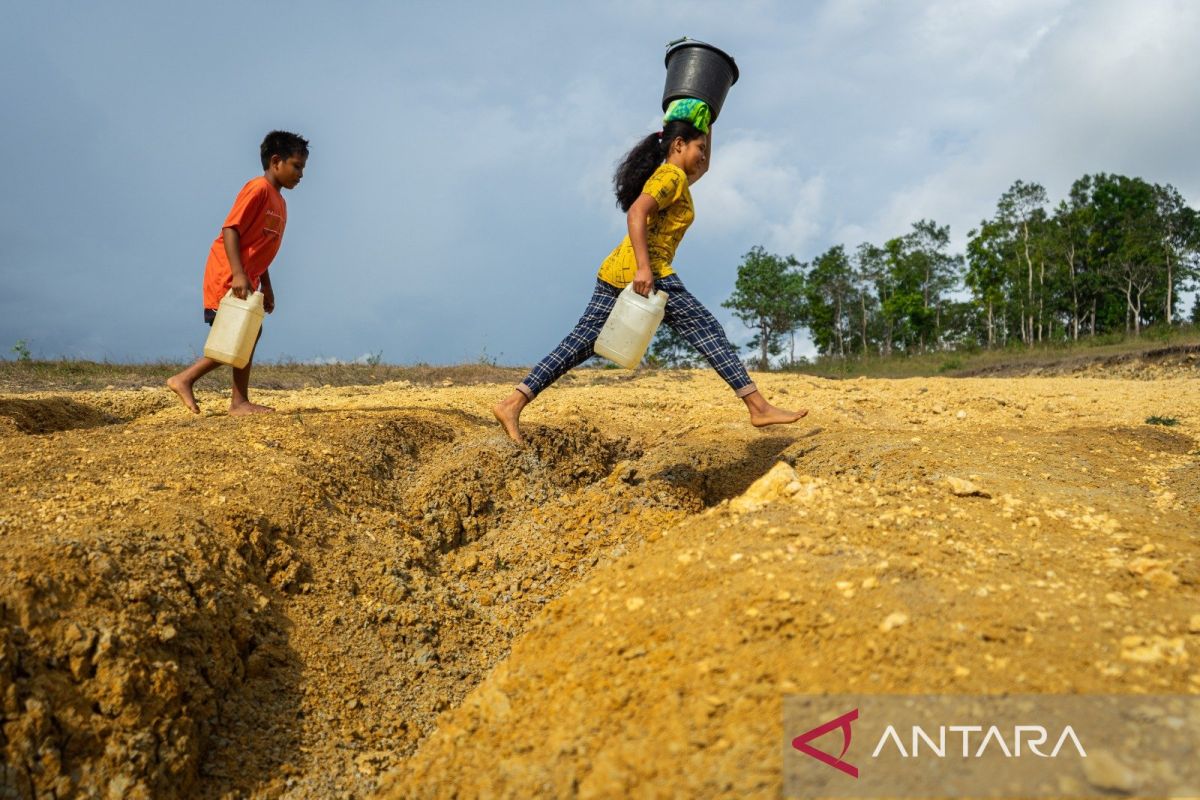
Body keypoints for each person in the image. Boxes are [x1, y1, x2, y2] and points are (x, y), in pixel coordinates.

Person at [493, 100, 806, 444]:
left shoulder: (678, 176)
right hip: (648, 271)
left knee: (581, 342)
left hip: (616, 269)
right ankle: (758, 407)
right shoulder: (670, 175)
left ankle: (513, 402)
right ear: (678, 145)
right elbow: (636, 214)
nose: (704, 156)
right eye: (699, 147)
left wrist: (709, 118)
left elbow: (703, 167)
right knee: (707, 329)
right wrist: (644, 268)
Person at [167, 130, 308, 415]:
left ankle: (238, 401)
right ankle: (186, 379)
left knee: (249, 332)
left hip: (248, 277)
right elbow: (231, 229)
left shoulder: (280, 202)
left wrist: (266, 285)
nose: (301, 174)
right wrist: (239, 274)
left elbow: (261, 247)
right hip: (227, 274)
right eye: (296, 166)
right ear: (276, 161)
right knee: (235, 335)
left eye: (303, 168)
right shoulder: (257, 189)